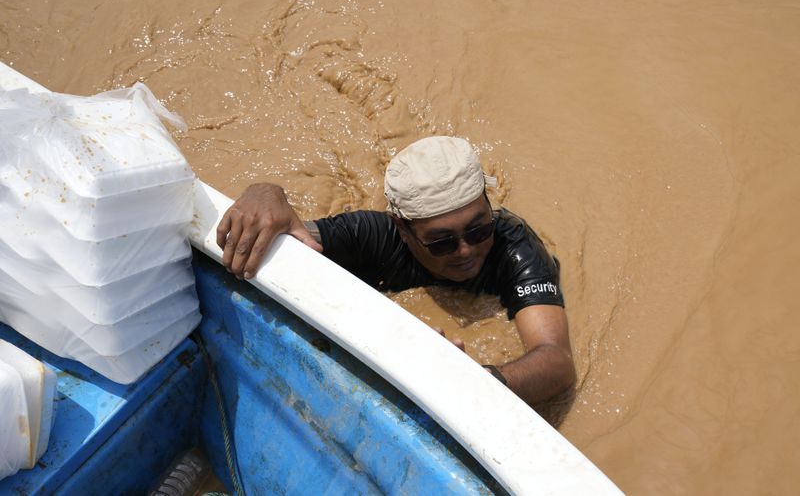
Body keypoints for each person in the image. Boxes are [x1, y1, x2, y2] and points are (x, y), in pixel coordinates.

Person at [216, 136, 576, 418]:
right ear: (402, 229)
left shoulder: (514, 246)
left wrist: (479, 381)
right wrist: (266, 193)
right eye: (441, 242)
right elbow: (281, 233)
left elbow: (557, 362)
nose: (466, 250)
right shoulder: (373, 237)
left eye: (479, 230)